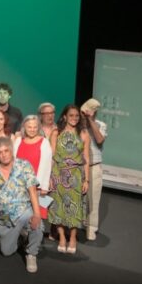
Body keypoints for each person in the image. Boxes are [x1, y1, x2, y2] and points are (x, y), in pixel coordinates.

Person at [0, 137, 42, 273]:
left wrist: (37, 214)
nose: (4, 154)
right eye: (0, 152)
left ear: (11, 150)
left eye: (6, 150)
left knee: (37, 225)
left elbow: (32, 191)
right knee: (7, 251)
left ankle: (31, 253)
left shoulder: (24, 165)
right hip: (4, 217)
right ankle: (22, 235)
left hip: (24, 210)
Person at [48, 105, 91, 254]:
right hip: (59, 173)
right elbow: (52, 156)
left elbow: (86, 158)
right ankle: (61, 237)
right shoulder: (56, 132)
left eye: (77, 116)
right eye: (71, 115)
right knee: (57, 206)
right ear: (65, 116)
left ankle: (72, 237)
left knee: (75, 207)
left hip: (76, 176)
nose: (74, 118)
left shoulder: (84, 133)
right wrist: (50, 177)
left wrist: (87, 180)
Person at [14, 115, 53, 220]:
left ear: (38, 128)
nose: (32, 129)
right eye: (29, 127)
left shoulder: (44, 142)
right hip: (19, 186)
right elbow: (13, 163)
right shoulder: (18, 141)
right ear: (24, 127)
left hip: (36, 186)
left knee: (35, 218)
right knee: (20, 216)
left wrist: (44, 186)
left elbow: (47, 165)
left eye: (35, 127)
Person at [81, 98, 107, 241]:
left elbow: (99, 140)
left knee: (93, 199)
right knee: (78, 198)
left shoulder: (100, 125)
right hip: (79, 167)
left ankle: (91, 228)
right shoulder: (79, 125)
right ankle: (78, 223)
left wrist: (91, 121)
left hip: (94, 166)